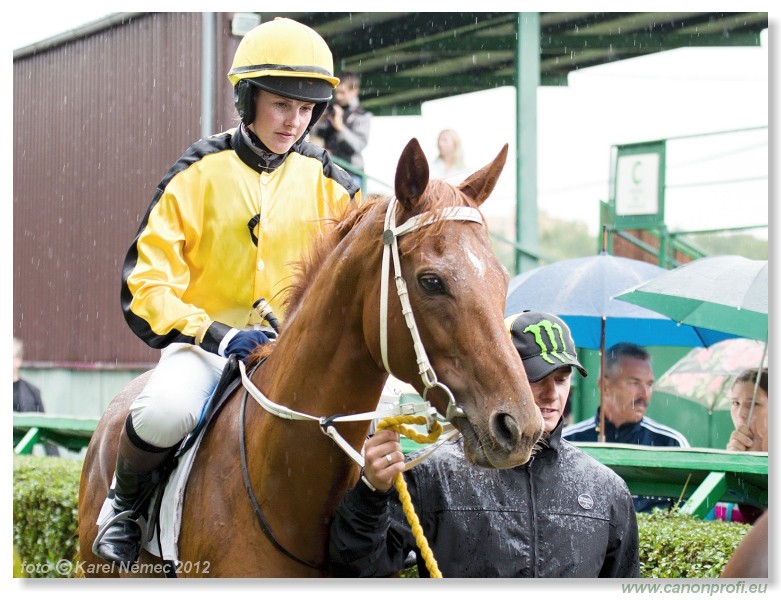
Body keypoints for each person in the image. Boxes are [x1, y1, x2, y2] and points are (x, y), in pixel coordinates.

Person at [95, 17, 358, 567]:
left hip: (295, 354)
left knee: (381, 423)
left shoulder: (333, 183)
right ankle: (124, 507)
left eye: (308, 109)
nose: (295, 121)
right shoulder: (195, 172)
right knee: (165, 411)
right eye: (283, 104)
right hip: (206, 349)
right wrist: (216, 333)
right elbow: (146, 283)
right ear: (248, 97)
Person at [328, 311, 639, 578]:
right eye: (536, 377)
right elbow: (359, 567)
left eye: (561, 378)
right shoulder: (433, 475)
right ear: (498, 375)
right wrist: (371, 491)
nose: (552, 394)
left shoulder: (606, 490)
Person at [563, 342, 690, 513]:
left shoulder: (671, 443)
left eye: (649, 384)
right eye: (634, 382)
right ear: (604, 385)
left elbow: (686, 514)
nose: (645, 394)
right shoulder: (568, 440)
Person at [717, 368, 768, 524]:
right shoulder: (734, 452)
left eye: (753, 404)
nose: (741, 413)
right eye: (735, 403)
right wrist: (736, 467)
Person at [309, 71, 371, 187]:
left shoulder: (362, 116)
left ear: (355, 91)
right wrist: (318, 119)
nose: (338, 97)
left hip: (352, 173)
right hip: (328, 170)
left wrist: (340, 128)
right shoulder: (329, 111)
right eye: (336, 93)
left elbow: (358, 145)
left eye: (343, 92)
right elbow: (314, 138)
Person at [13, 337, 59, 456]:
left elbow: (44, 428)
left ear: (18, 361)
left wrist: (55, 461)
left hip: (24, 459)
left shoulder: (32, 392)